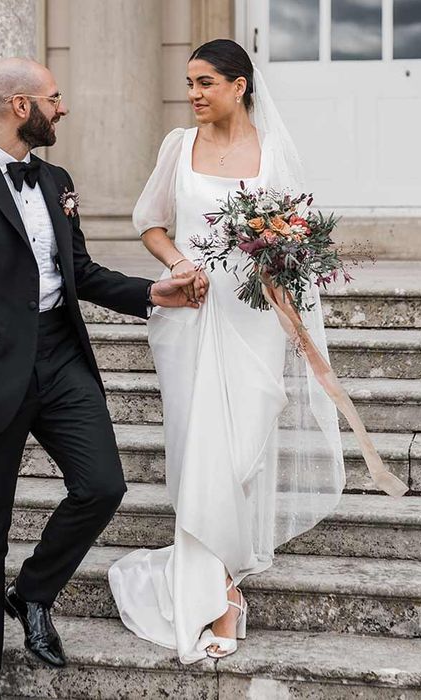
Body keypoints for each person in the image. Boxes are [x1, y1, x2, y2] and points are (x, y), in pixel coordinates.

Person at [0, 57, 202, 700]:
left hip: (62, 357)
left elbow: (82, 273)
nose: (63, 108)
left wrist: (155, 291)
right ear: (20, 106)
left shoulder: (58, 179)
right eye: (54, 98)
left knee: (102, 486)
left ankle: (33, 592)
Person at [108, 39, 346, 663]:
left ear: (239, 85)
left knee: (240, 448)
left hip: (254, 323)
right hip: (189, 318)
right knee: (197, 449)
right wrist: (181, 263)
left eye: (205, 82)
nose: (193, 93)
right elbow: (150, 222)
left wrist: (301, 333)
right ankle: (216, 595)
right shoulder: (176, 147)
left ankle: (221, 574)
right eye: (190, 82)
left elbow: (293, 253)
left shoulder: (273, 154)